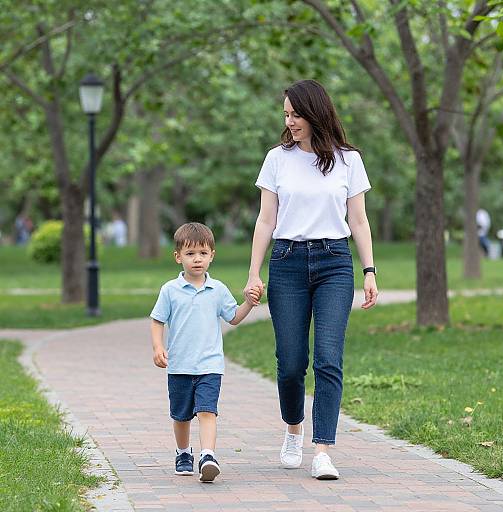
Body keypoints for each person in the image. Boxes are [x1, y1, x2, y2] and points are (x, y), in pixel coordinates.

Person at [244, 80, 378, 480]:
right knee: (290, 363)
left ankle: (322, 450)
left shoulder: (349, 160)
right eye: (285, 114)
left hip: (335, 262)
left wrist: (369, 270)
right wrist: (254, 272)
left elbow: (358, 220)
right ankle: (292, 429)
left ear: (314, 112)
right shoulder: (277, 159)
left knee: (328, 359)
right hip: (286, 262)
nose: (289, 121)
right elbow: (266, 219)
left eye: (294, 114)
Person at [150, 222, 261, 482]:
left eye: (202, 253)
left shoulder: (218, 290)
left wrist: (249, 303)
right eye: (190, 254)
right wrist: (158, 346)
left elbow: (233, 317)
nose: (197, 259)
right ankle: (182, 452)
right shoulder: (170, 290)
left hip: (210, 366)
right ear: (178, 257)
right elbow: (157, 320)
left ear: (212, 255)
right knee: (181, 415)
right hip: (179, 366)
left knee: (207, 411)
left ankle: (207, 455)